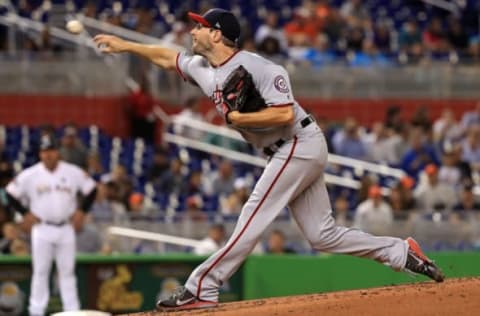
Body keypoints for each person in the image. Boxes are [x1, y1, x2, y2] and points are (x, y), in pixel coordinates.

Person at [93, 8, 444, 311]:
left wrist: (239, 120)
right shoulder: (204, 69)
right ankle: (401, 252)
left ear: (217, 34)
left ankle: (202, 287)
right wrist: (125, 46)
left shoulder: (258, 67)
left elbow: (284, 114)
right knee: (322, 235)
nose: (193, 30)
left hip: (298, 141)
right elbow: (166, 57)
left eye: (200, 26)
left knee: (254, 212)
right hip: (286, 150)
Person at [4, 134, 97, 316]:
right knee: (40, 271)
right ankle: (36, 311)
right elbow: (10, 193)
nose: (48, 155)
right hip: (42, 228)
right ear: (40, 154)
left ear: (58, 152)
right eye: (45, 151)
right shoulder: (31, 174)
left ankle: (72, 310)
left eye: (52, 151)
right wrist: (25, 213)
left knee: (67, 271)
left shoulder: (71, 171)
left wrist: (82, 211)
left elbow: (91, 189)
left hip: (66, 227)